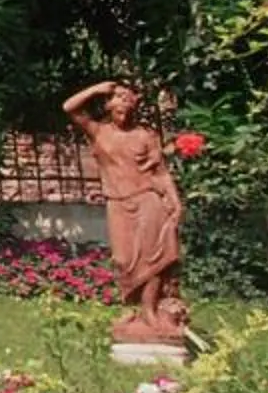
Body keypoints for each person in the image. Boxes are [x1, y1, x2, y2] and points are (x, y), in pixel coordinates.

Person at [64, 81, 189, 343]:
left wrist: (175, 202)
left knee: (154, 259)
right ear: (108, 105)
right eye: (118, 101)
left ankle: (149, 311)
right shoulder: (98, 131)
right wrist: (96, 89)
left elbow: (161, 173)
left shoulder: (145, 136)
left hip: (148, 200)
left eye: (128, 101)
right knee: (123, 259)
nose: (123, 106)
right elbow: (69, 107)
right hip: (118, 203)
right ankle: (133, 309)